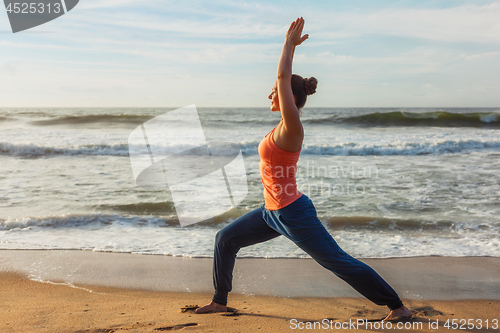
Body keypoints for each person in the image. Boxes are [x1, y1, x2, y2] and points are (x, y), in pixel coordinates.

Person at [196, 17, 412, 321]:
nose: (270, 94)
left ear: (289, 98)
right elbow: (283, 82)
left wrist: (288, 45)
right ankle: (219, 301)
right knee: (225, 239)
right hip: (270, 213)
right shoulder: (280, 127)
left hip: (293, 213)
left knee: (336, 261)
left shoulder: (292, 126)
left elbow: (283, 77)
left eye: (274, 91)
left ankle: (397, 307)